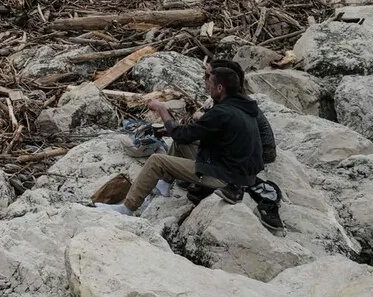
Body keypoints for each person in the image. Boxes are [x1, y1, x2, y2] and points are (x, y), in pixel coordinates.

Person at [97, 65, 265, 216]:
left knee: (157, 161)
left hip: (226, 179)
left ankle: (127, 208)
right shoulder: (244, 108)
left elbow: (181, 134)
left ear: (220, 88)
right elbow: (193, 137)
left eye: (210, 82)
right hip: (241, 173)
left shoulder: (222, 112)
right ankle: (163, 186)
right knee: (181, 144)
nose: (207, 85)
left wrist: (163, 111)